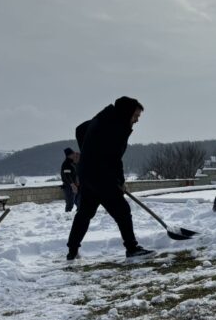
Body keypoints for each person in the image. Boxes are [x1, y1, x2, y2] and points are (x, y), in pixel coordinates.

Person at [65, 96, 153, 260]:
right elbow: (114, 159)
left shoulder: (105, 117)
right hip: (101, 176)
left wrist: (87, 153)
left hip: (87, 173)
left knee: (85, 212)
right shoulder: (116, 128)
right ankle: (132, 248)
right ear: (126, 112)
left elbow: (80, 129)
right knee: (122, 211)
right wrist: (119, 182)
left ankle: (72, 250)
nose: (137, 120)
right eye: (135, 116)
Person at [60, 148, 80, 212]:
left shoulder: (73, 163)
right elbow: (67, 175)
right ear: (69, 155)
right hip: (69, 187)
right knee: (70, 204)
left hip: (76, 186)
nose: (74, 154)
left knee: (79, 203)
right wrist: (72, 185)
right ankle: (67, 218)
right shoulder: (66, 164)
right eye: (73, 153)